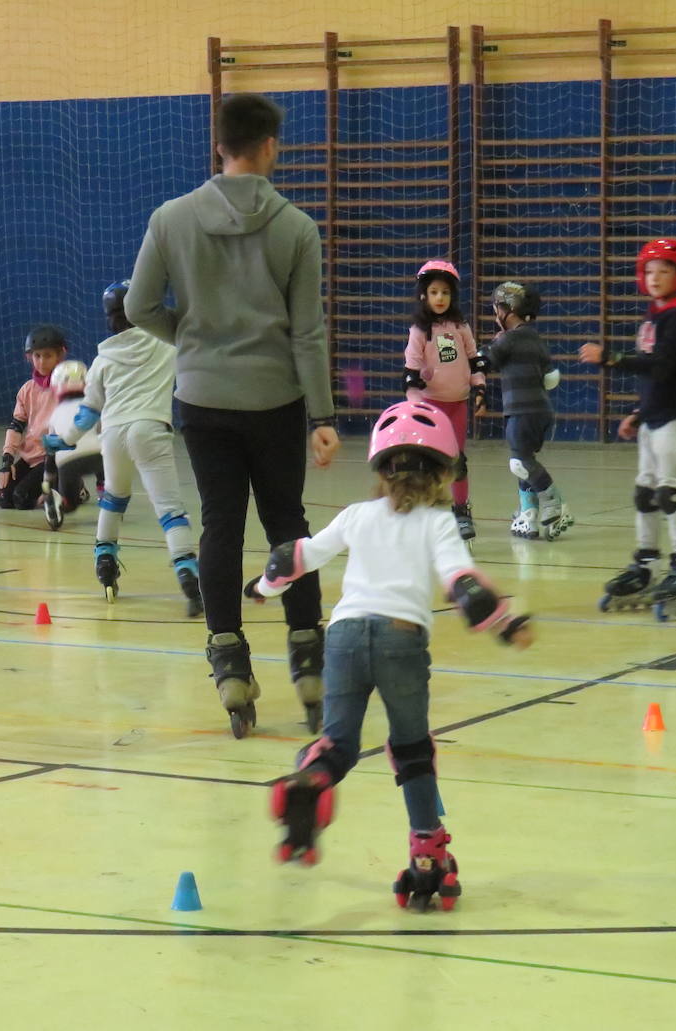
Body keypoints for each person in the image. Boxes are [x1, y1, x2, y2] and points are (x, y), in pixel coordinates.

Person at [247, 400, 534, 910]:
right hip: (401, 639)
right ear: (445, 472)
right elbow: (463, 586)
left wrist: (263, 588)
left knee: (338, 742)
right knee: (411, 749)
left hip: (344, 636)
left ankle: (311, 781)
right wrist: (505, 624)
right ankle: (426, 854)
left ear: (380, 469)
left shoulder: (357, 516)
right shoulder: (439, 522)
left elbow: (297, 555)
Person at [125, 92, 340, 737]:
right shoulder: (297, 228)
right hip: (276, 397)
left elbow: (138, 307)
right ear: (272, 145)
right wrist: (322, 415)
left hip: (203, 397)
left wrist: (190, 339)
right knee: (287, 523)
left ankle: (230, 663)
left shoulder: (170, 219)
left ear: (219, 144)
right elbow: (308, 332)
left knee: (220, 524)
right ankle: (307, 658)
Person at [45, 280, 202, 617]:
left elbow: (88, 413)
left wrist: (65, 440)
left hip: (113, 434)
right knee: (170, 510)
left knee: (113, 499)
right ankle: (189, 577)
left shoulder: (103, 360)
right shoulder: (165, 343)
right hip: (150, 428)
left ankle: (105, 562)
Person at [580, 238, 676, 618]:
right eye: (649, 271)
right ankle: (647, 563)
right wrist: (638, 411)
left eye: (664, 271)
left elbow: (663, 367)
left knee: (670, 493)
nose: (654, 277)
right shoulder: (658, 314)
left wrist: (612, 358)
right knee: (644, 494)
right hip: (655, 417)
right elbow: (656, 377)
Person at [403, 259, 485, 540]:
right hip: (430, 406)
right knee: (427, 463)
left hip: (457, 404)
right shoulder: (419, 331)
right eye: (435, 292)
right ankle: (424, 513)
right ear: (424, 294)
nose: (440, 298)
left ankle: (461, 511)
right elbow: (411, 373)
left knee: (457, 462)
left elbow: (475, 361)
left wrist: (480, 390)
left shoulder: (460, 326)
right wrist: (416, 405)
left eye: (446, 292)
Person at [487, 281, 572, 541]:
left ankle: (556, 503)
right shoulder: (535, 338)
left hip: (521, 410)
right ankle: (529, 515)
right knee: (525, 460)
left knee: (519, 462)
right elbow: (552, 377)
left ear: (508, 310)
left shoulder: (509, 339)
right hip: (542, 410)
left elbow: (485, 360)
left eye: (496, 309)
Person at [0, 325, 67, 510]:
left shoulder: (68, 387)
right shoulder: (27, 389)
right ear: (29, 357)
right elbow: (16, 425)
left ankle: (70, 488)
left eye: (48, 355)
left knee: (22, 499)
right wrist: (7, 460)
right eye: (37, 356)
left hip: (53, 458)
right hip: (31, 457)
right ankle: (57, 487)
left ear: (60, 356)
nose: (42, 362)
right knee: (4, 498)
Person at [40, 358, 104, 524]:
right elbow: (105, 432)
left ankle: (61, 503)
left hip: (68, 463)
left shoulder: (54, 414)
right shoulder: (92, 405)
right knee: (106, 457)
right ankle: (106, 493)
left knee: (71, 504)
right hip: (97, 455)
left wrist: (47, 482)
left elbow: (51, 453)